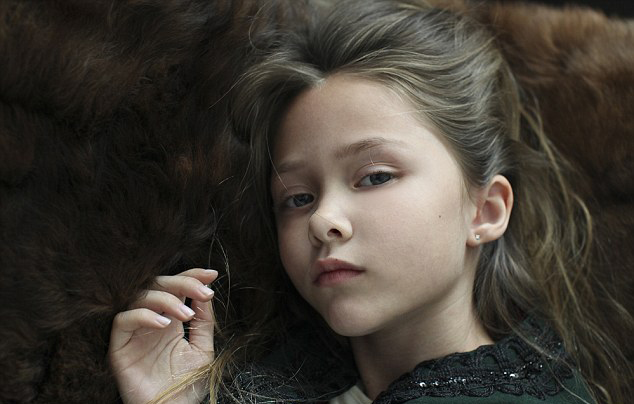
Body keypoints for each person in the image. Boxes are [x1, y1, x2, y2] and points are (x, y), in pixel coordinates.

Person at [108, 1, 633, 403]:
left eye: (375, 177)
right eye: (298, 197)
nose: (322, 220)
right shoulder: (283, 378)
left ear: (485, 210)